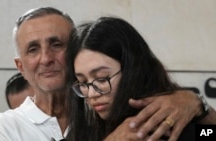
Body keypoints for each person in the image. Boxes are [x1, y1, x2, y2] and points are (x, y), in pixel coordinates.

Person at [0, 7, 216, 141]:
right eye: (83, 82)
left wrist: (197, 104)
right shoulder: (2, 128)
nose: (46, 58)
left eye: (57, 44)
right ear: (20, 65)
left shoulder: (171, 121)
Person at [65, 16, 216, 141]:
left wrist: (199, 104)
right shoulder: (82, 133)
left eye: (102, 79)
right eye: (83, 83)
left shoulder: (178, 127)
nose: (92, 94)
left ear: (132, 71)